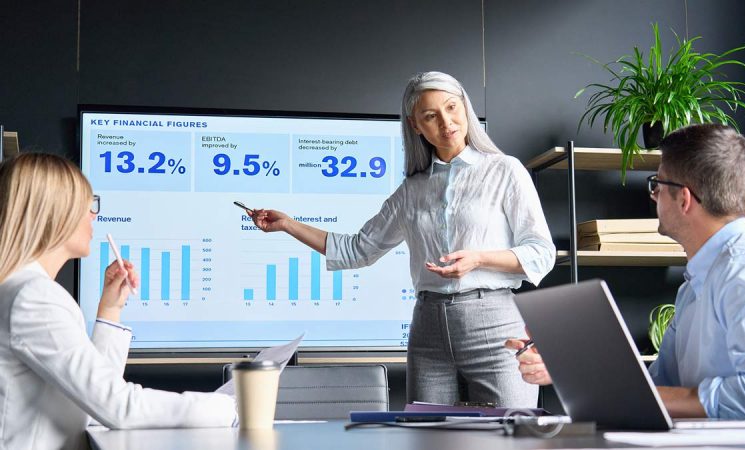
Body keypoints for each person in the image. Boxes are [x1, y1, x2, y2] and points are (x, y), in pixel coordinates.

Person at [249, 71, 555, 407]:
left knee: (509, 437)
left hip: (495, 326)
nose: (447, 122)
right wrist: (288, 224)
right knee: (427, 438)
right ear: (415, 125)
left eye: (452, 107)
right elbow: (357, 250)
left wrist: (479, 259)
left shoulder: (505, 171)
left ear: (465, 107)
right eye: (430, 116)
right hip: (428, 332)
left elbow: (541, 253)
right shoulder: (411, 191)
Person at [507, 123, 745, 420]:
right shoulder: (697, 282)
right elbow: (661, 386)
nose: (653, 194)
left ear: (684, 199)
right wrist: (568, 365)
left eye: (657, 184)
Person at [0, 153, 236, 450]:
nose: (94, 215)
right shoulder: (33, 297)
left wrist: (110, 309)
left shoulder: (23, 289)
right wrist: (227, 408)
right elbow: (119, 406)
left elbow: (93, 400)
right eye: (89, 205)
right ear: (55, 213)